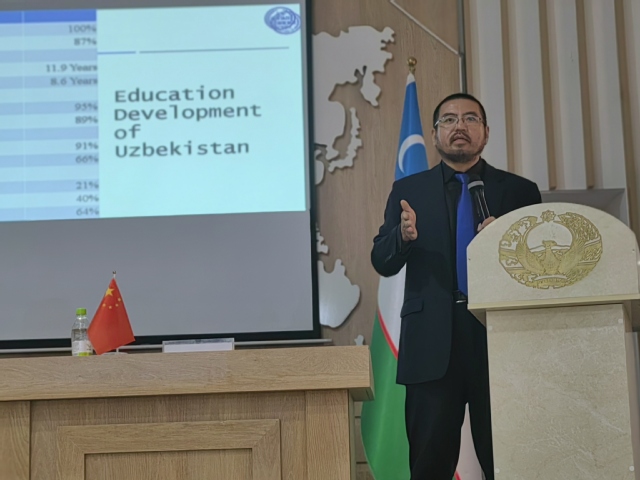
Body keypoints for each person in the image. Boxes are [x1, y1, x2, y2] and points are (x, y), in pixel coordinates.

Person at [371, 92, 541, 480]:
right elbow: (382, 260)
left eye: (470, 118)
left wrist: (508, 246)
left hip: (498, 340)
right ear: (434, 134)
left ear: (486, 133)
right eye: (448, 119)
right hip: (431, 344)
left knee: (510, 462)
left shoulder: (520, 191)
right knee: (429, 465)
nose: (459, 126)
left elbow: (536, 274)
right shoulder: (409, 190)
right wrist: (402, 237)